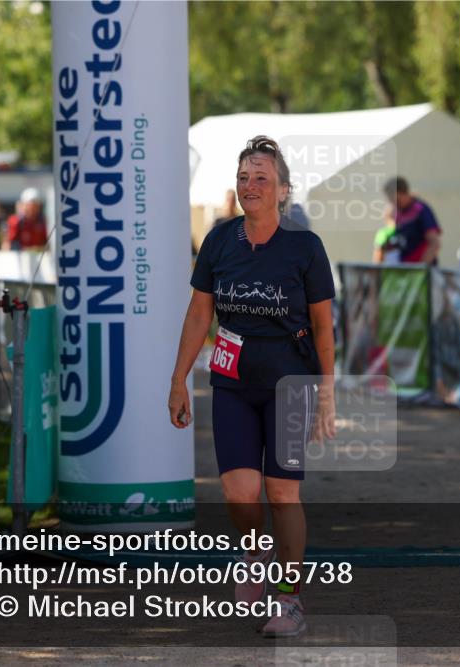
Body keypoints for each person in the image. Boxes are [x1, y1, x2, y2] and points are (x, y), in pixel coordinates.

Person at [168, 136, 336, 638]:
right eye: (243, 177)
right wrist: (178, 379)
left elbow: (323, 327)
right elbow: (200, 313)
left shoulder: (305, 247)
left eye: (261, 178)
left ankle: (289, 599)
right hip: (233, 383)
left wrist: (327, 393)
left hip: (290, 384)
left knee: (283, 493)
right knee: (240, 493)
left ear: (283, 190)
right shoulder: (220, 241)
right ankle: (256, 553)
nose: (250, 186)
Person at [381, 176, 441, 264]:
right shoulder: (395, 212)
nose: (394, 204)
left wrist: (421, 267)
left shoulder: (421, 210)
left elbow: (434, 243)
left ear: (403, 193)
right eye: (391, 201)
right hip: (403, 267)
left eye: (396, 200)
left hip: (421, 267)